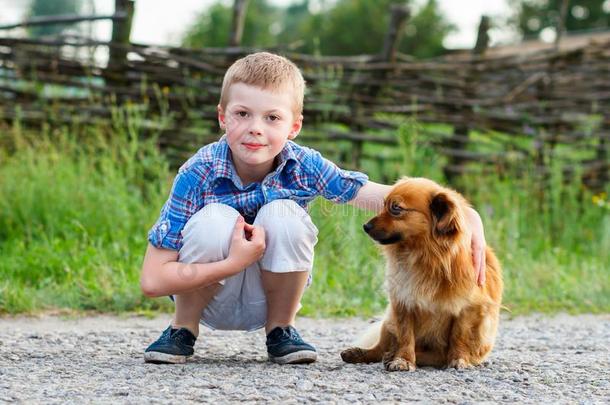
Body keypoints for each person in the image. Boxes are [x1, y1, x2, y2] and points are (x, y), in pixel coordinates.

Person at [140, 52, 488, 365]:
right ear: (222, 117)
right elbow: (153, 280)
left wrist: (467, 215)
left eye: (272, 118)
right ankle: (183, 330)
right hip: (209, 301)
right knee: (215, 219)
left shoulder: (304, 165)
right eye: (242, 114)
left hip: (269, 297)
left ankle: (281, 330)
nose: (255, 129)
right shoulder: (197, 172)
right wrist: (236, 262)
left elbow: (389, 196)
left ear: (294, 126)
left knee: (283, 213)